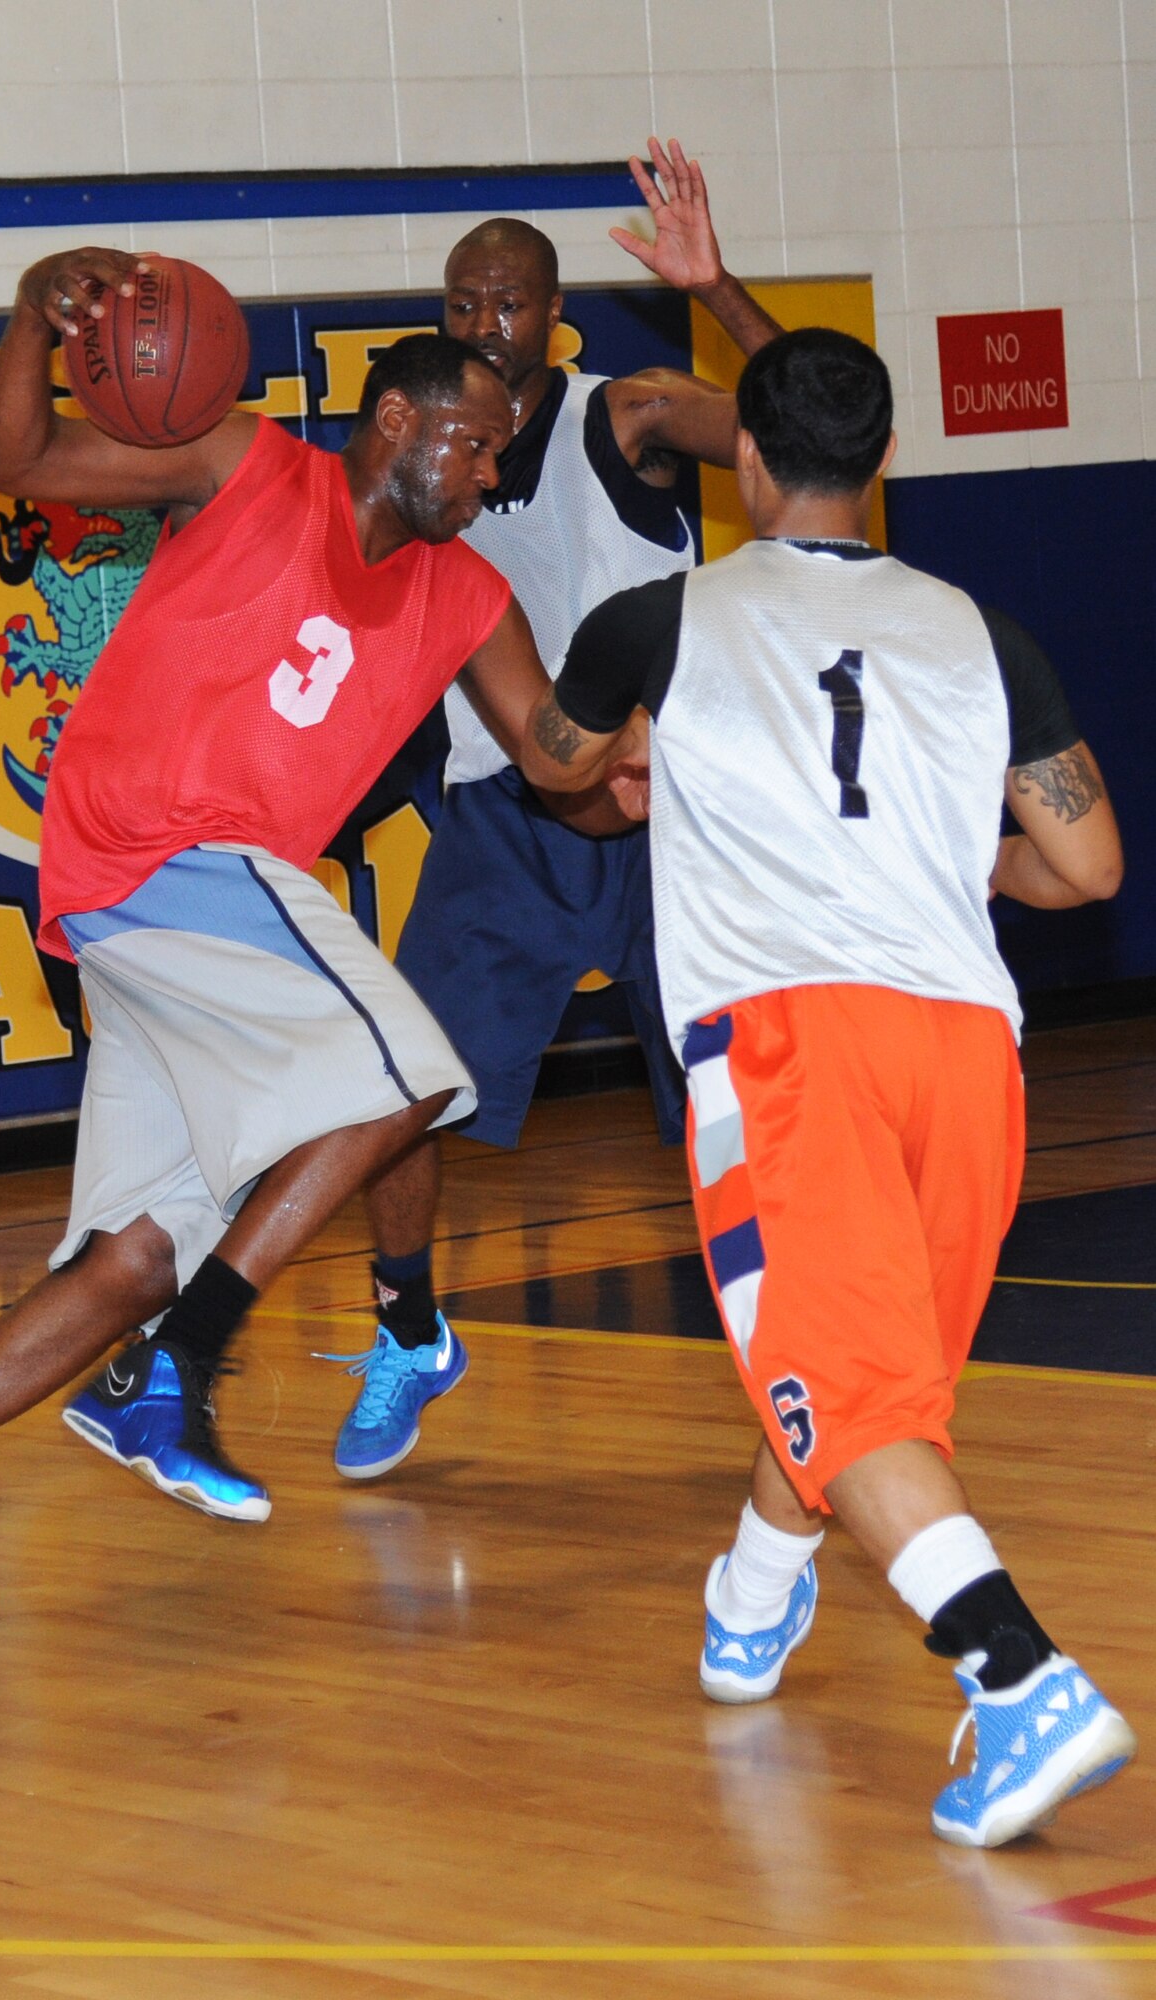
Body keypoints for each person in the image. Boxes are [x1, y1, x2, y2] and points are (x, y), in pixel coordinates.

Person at [0, 248, 589, 1626]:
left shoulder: (467, 597)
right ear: (394, 419)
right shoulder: (249, 467)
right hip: (168, 852)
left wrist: (648, 750)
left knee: (130, 1258)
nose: (494, 475)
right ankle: (176, 1373)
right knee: (415, 1075)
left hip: (162, 919)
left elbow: (556, 758)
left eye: (504, 455)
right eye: (479, 443)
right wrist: (32, 314)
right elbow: (16, 462)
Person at [519, 326, 1134, 1846]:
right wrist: (937, 860)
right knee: (870, 1372)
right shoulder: (980, 631)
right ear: (881, 466)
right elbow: (1086, 866)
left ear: (740, 467)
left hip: (788, 1041)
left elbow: (554, 764)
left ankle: (1017, 1679)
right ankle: (749, 1599)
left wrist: (632, 767)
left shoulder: (656, 619)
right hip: (964, 1051)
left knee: (844, 1383)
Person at [339, 140, 784, 1479]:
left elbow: (802, 424)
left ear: (553, 314)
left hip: (670, 817)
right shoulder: (427, 463)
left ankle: (797, 1343)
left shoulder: (627, 413)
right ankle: (407, 1328)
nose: (485, 322)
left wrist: (712, 287)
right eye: (463, 304)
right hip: (503, 821)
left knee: (748, 1109)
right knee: (403, 1094)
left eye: (510, 302)